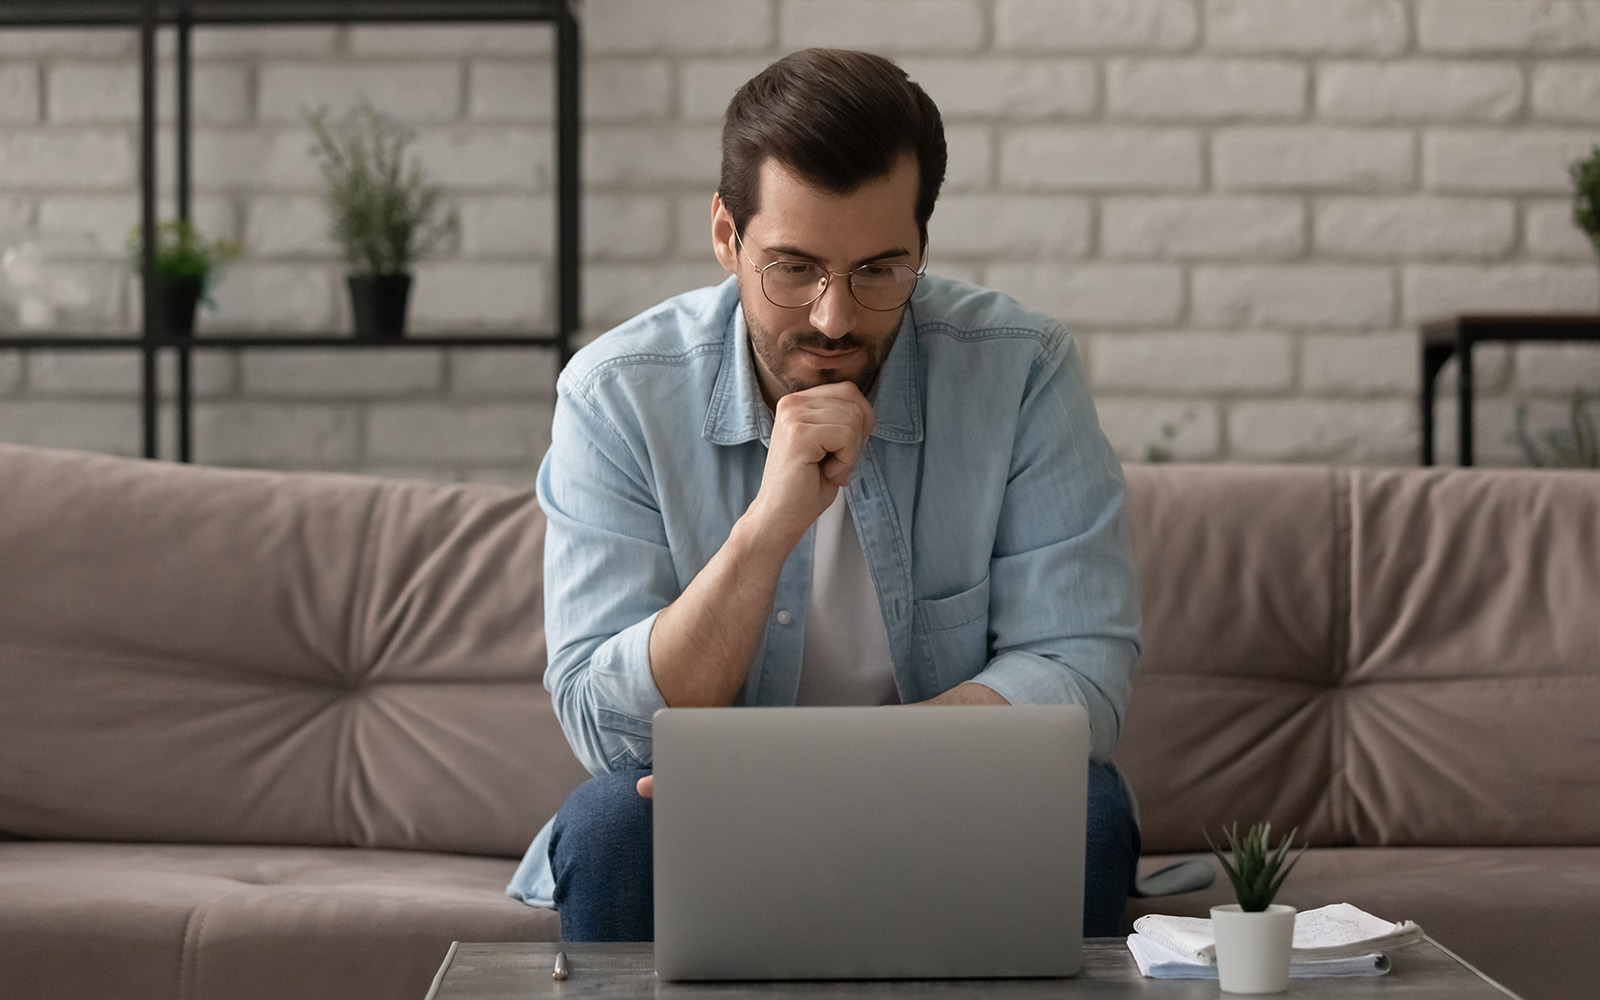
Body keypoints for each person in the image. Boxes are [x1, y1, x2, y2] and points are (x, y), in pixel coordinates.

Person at [507, 47, 1141, 942]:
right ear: (728, 237)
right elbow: (610, 732)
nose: (834, 317)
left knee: (1087, 814)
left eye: (879, 271)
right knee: (612, 828)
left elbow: (1081, 674)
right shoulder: (617, 393)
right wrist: (766, 529)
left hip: (950, 796)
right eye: (793, 269)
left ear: (922, 246)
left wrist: (837, 775)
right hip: (712, 817)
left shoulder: (1021, 371)